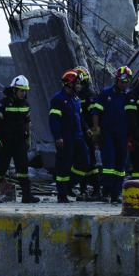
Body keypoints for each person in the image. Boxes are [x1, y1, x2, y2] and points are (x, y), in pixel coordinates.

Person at [0, 75, 40, 204]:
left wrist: (28, 138)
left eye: (25, 91)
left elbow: (27, 122)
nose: (24, 93)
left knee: (23, 168)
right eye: (21, 90)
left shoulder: (26, 104)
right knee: (1, 168)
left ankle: (26, 195)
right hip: (5, 142)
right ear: (14, 90)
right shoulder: (2, 103)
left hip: (20, 141)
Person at [89, 66, 133, 204]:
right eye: (121, 81)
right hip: (107, 134)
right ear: (116, 80)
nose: (123, 84)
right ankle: (106, 191)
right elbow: (96, 112)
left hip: (122, 135)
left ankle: (116, 193)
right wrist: (96, 131)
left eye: (126, 82)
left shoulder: (129, 96)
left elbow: (133, 117)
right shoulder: (105, 94)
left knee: (120, 165)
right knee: (108, 162)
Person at [49, 69, 90, 203]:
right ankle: (62, 194)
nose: (79, 85)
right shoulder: (58, 99)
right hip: (65, 138)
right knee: (63, 165)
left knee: (85, 162)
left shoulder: (76, 99)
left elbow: (80, 117)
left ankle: (69, 186)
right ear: (69, 84)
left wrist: (87, 129)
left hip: (78, 136)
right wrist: (57, 137)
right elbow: (53, 120)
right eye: (77, 83)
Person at [74, 66, 101, 201]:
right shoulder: (77, 96)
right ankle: (83, 190)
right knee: (82, 162)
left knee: (90, 162)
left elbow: (93, 115)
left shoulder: (89, 95)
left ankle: (96, 189)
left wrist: (94, 131)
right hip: (79, 133)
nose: (76, 85)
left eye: (78, 82)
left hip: (87, 133)